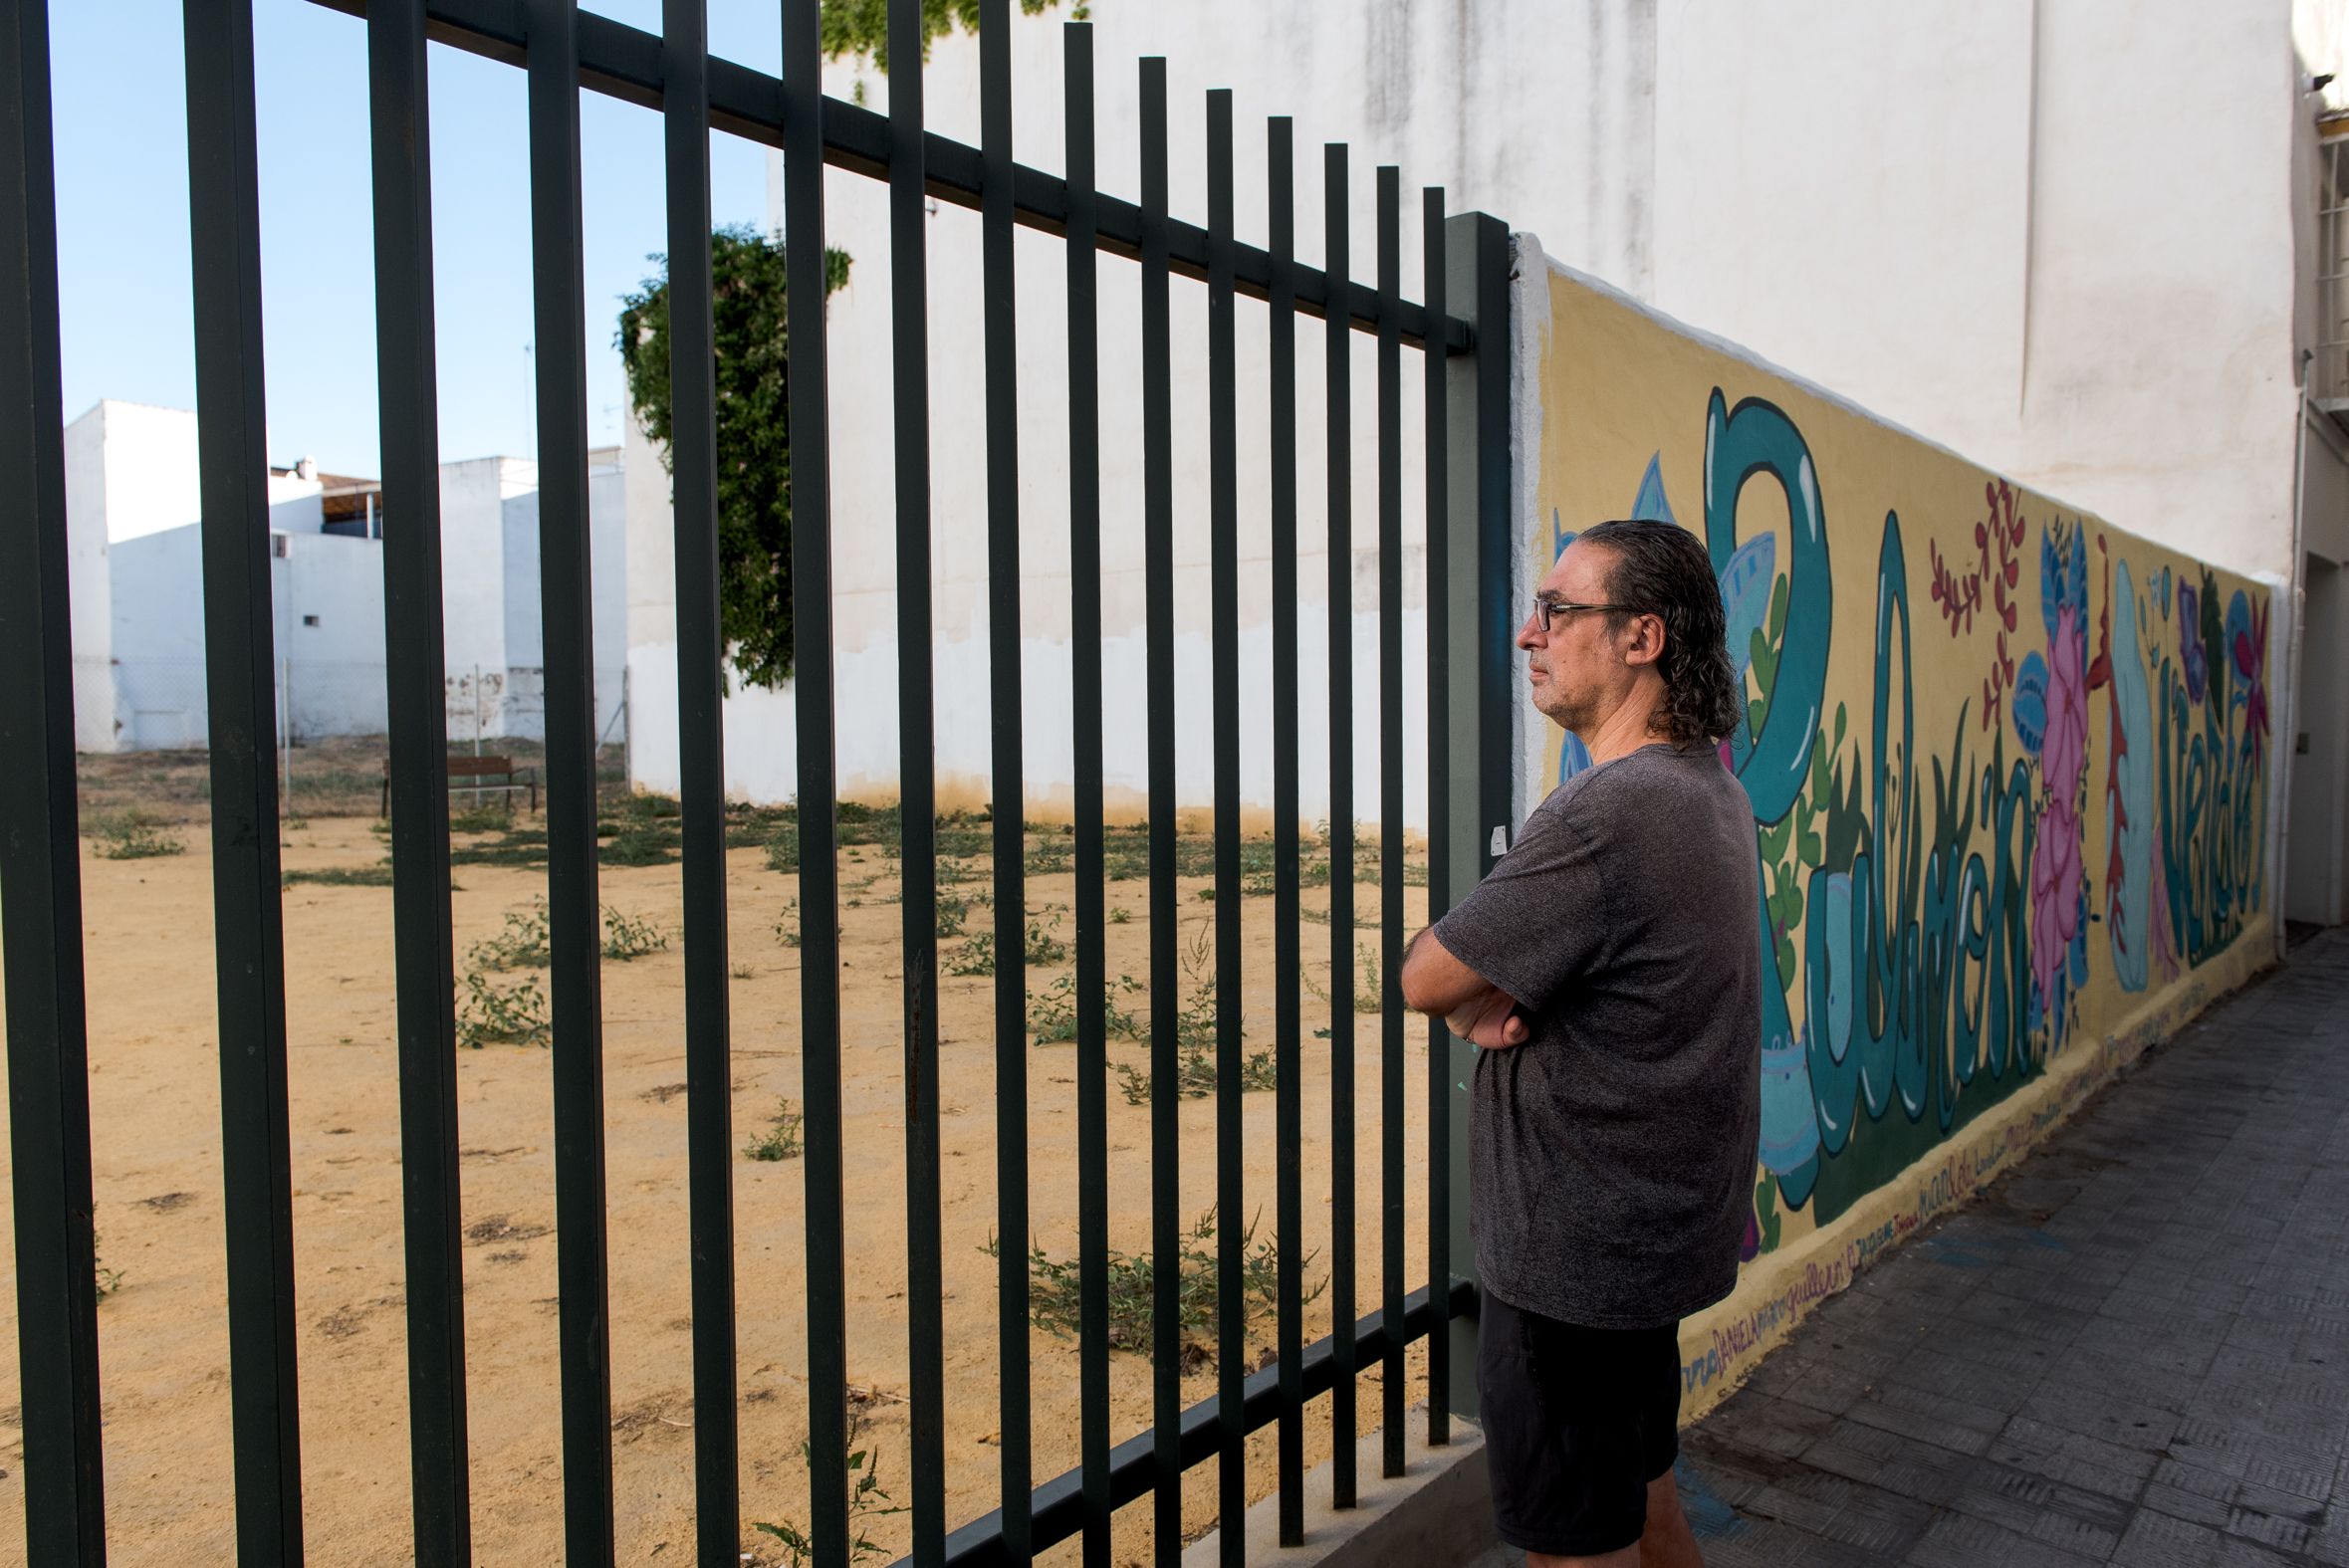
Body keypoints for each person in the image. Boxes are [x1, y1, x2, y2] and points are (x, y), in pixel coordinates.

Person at [1399, 519, 1761, 1568]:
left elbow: (1426, 972)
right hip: (1642, 1249)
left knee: (1577, 1547)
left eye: (1558, 610)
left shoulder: (1610, 808)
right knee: (1647, 1507)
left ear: (1641, 636)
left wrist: (1468, 999)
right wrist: (1479, 997)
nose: (1530, 633)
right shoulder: (1708, 787)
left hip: (1572, 1267)